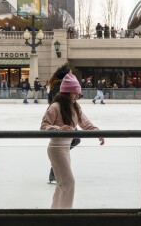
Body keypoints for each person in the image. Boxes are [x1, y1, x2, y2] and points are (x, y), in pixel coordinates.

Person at [41, 73, 105, 209]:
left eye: (77, 93)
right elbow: (44, 127)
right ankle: (65, 216)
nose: (76, 96)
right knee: (68, 183)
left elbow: (86, 123)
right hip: (56, 149)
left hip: (65, 148)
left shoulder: (76, 107)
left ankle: (56, 213)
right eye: (74, 93)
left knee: (62, 184)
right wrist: (58, 128)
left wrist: (98, 132)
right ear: (66, 93)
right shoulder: (55, 107)